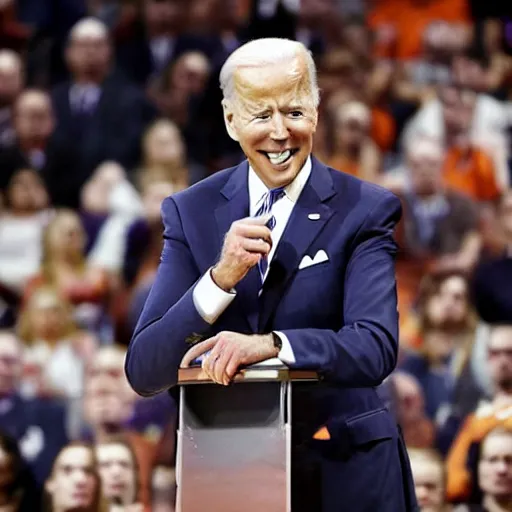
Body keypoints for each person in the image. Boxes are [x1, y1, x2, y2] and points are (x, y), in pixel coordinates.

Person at [125, 37, 417, 511]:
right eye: (261, 115)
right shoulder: (191, 212)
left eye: (295, 111)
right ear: (230, 119)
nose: (280, 133)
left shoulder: (365, 209)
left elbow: (374, 346)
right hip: (230, 473)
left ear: (317, 110)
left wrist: (273, 346)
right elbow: (145, 369)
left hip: (345, 472)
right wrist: (219, 280)